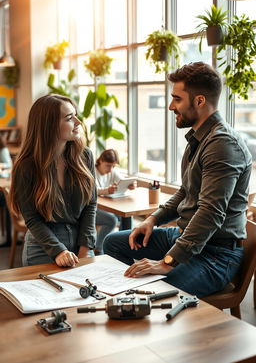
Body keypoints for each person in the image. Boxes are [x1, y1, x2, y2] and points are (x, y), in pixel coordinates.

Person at [103, 61, 252, 298]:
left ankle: (148, 312)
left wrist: (167, 262)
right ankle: (125, 301)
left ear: (200, 101)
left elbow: (211, 213)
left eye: (177, 99)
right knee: (113, 243)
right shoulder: (198, 138)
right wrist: (153, 219)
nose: (171, 106)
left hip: (216, 254)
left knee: (158, 291)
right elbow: (186, 191)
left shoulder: (223, 145)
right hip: (183, 236)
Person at [9, 94, 97, 267]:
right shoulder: (26, 166)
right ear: (49, 126)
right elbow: (32, 219)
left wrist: (86, 247)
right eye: (70, 118)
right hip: (43, 247)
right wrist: (59, 251)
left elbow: (91, 204)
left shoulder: (85, 156)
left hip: (82, 243)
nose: (78, 122)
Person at [95, 149, 135, 255]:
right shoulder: (92, 171)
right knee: (111, 220)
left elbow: (121, 180)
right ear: (100, 161)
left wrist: (129, 185)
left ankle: (124, 246)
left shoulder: (112, 171)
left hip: (106, 206)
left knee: (127, 216)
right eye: (108, 166)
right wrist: (106, 190)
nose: (110, 169)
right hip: (94, 208)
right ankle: (98, 249)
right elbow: (92, 190)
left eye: (113, 166)